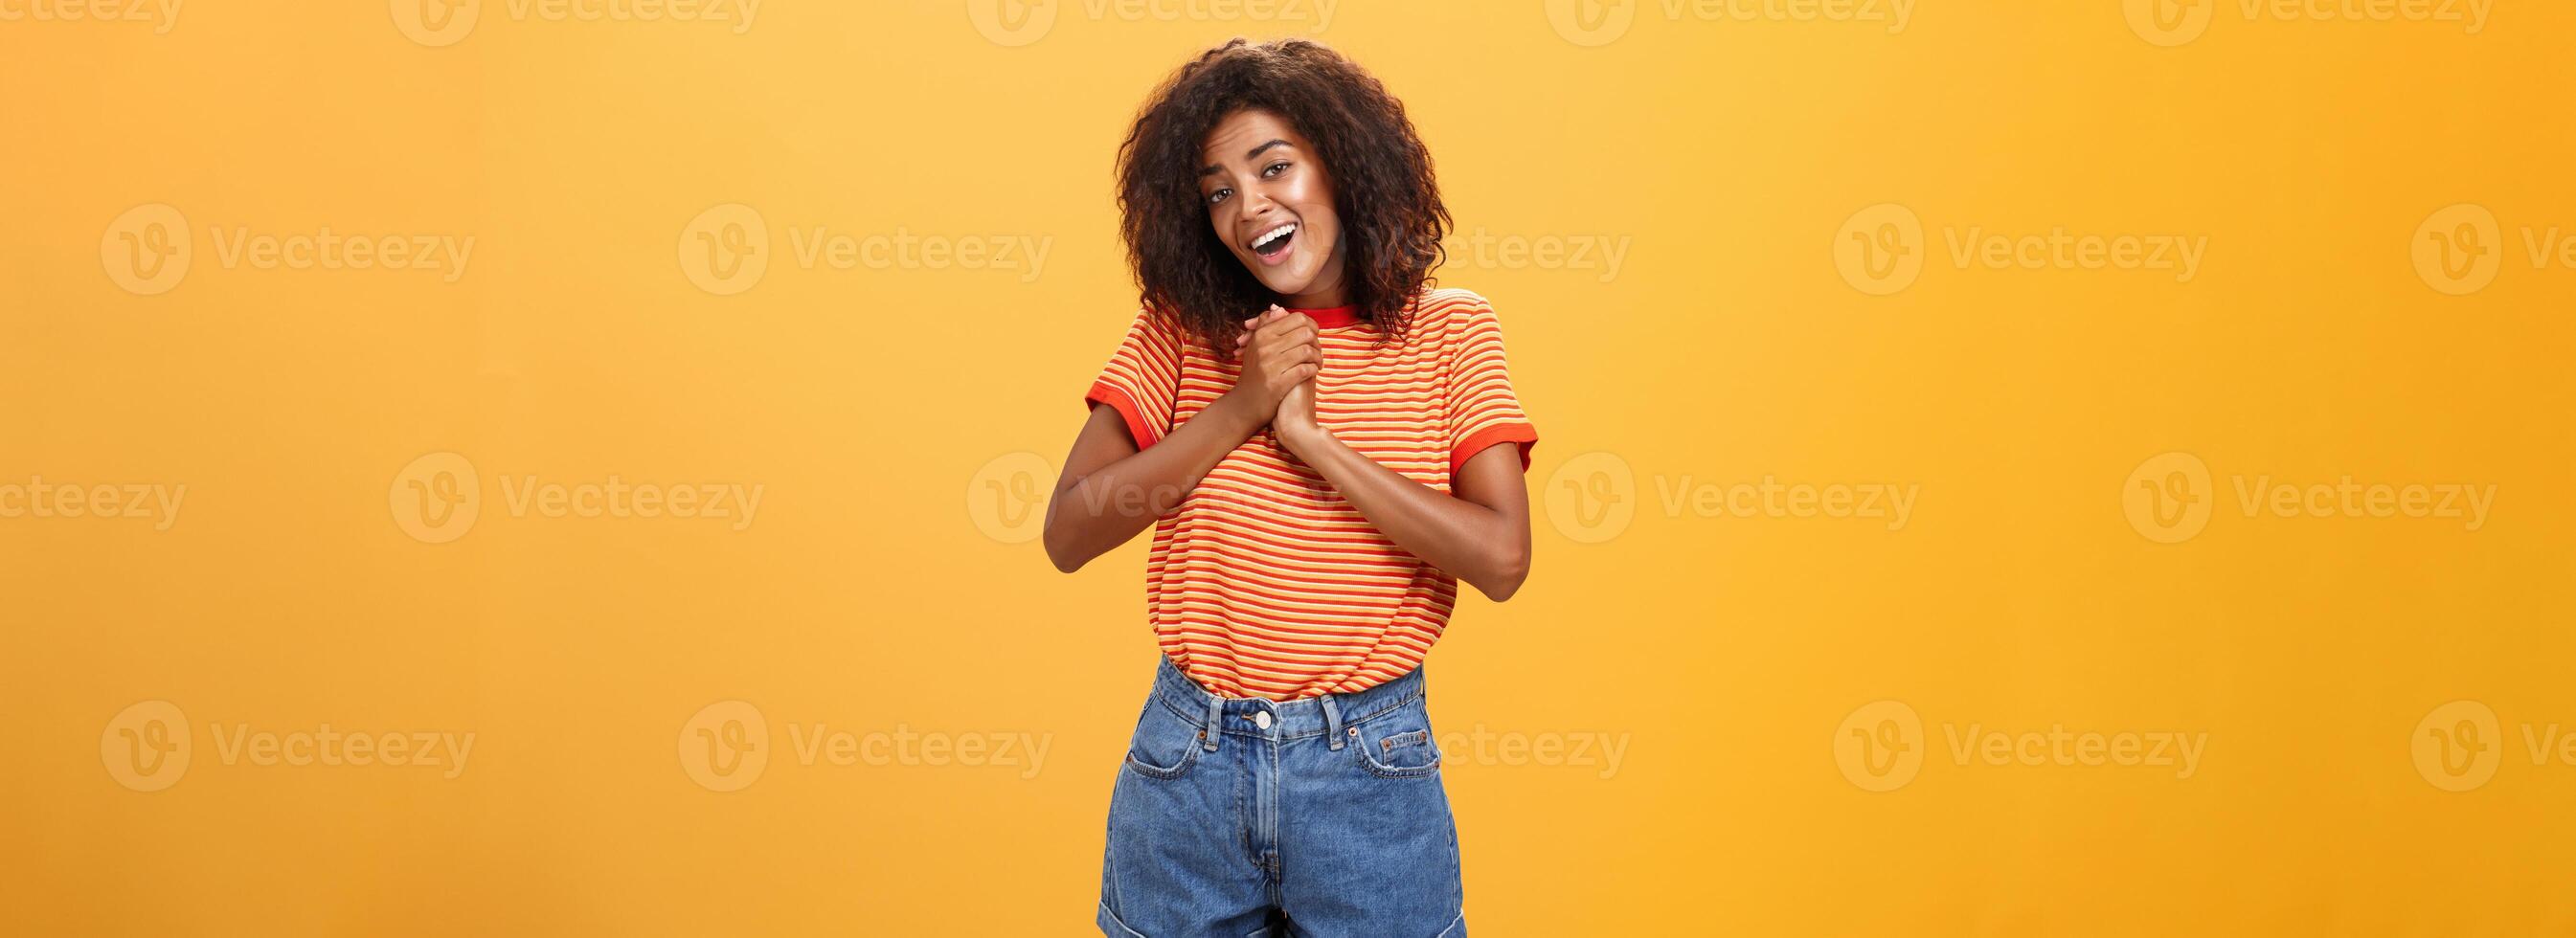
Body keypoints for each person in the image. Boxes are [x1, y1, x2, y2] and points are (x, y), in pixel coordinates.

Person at [1045, 37, 1537, 937]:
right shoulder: (1182, 331)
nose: (1249, 207)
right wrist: (1242, 405)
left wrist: (1310, 440)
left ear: (1345, 166)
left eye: (1275, 168)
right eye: (1219, 190)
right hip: (1187, 764)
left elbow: (1502, 558)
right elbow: (1071, 531)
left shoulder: (1450, 334)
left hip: (1370, 769)